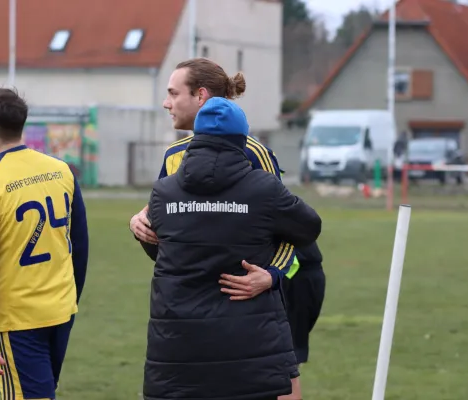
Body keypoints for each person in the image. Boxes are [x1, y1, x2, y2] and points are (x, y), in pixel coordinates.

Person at [129, 57, 325, 398]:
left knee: (279, 371)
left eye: (173, 93)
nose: (166, 102)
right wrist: (139, 222)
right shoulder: (174, 154)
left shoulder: (255, 154)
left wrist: (272, 274)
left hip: (263, 289)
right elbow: (169, 221)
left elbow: (289, 227)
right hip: (198, 303)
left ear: (201, 96)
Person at [0, 87, 89, 400]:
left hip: (19, 319)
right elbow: (80, 245)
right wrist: (69, 298)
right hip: (61, 309)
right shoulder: (61, 170)